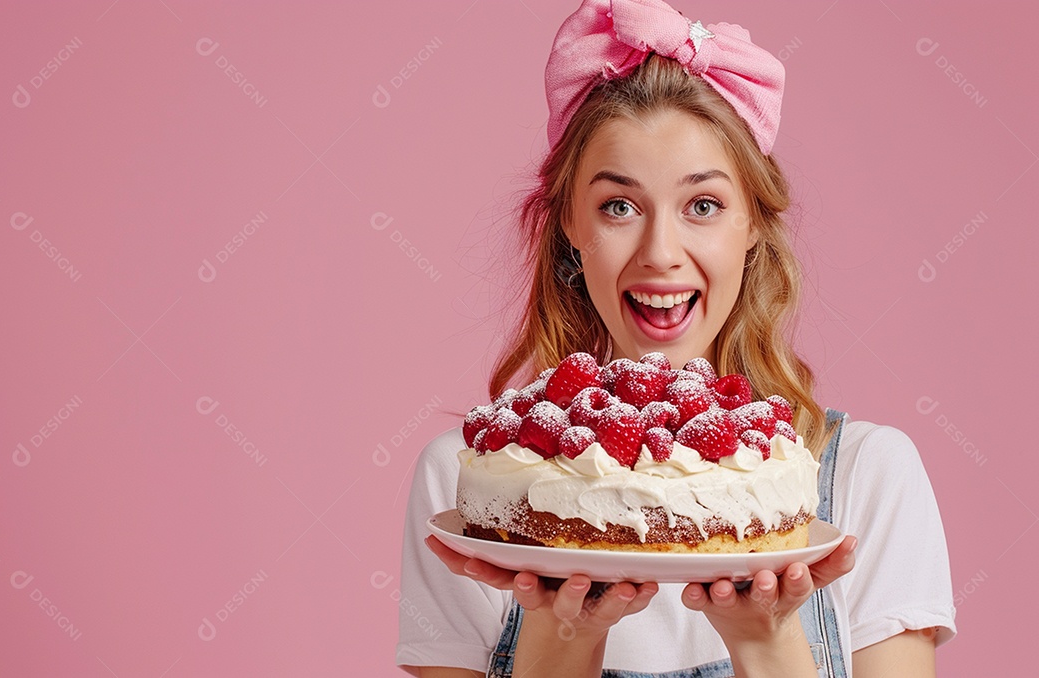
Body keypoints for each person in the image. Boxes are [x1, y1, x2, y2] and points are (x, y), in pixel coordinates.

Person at [396, 1, 956, 676]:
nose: (661, 252)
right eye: (619, 206)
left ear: (752, 223)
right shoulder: (469, 489)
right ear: (570, 223)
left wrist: (766, 640)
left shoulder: (868, 479)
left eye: (703, 206)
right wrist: (560, 637)